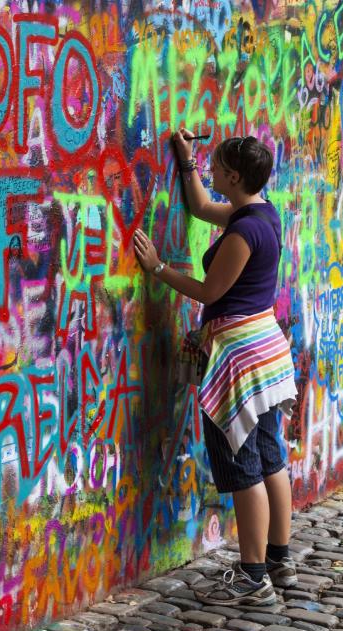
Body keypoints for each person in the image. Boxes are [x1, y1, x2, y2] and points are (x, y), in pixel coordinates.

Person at [133, 129, 299, 607]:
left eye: (217, 164)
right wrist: (185, 162)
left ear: (233, 175)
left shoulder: (244, 232)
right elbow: (204, 207)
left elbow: (210, 293)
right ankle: (278, 561)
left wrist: (157, 268)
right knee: (270, 455)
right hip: (267, 353)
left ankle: (252, 578)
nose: (212, 168)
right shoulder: (259, 213)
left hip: (240, 361)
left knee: (244, 465)